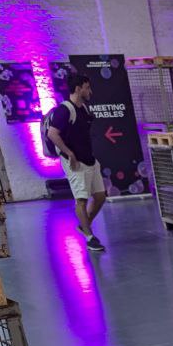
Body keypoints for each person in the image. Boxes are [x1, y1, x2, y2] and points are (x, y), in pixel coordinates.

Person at [46, 73, 106, 251]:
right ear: (78, 89)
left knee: (100, 197)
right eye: (87, 88)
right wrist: (69, 153)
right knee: (81, 200)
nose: (90, 91)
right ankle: (89, 237)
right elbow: (52, 133)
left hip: (90, 159)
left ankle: (84, 225)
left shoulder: (83, 108)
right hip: (76, 163)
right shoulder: (64, 110)